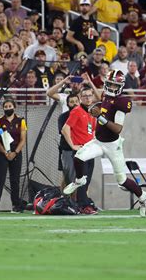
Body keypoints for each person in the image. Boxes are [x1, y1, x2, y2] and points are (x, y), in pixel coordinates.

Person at [63, 70, 146, 216]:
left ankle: (143, 197)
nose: (111, 88)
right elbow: (103, 105)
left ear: (120, 86)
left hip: (113, 145)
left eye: (115, 86)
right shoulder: (106, 96)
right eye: (109, 84)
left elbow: (117, 129)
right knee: (78, 157)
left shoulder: (123, 102)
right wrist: (96, 107)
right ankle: (79, 180)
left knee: (121, 180)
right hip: (98, 141)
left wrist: (100, 117)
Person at [61, 86, 98, 215]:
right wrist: (73, 146)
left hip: (90, 150)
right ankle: (83, 206)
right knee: (81, 179)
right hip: (81, 151)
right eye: (85, 96)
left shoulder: (92, 112)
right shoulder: (76, 111)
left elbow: (92, 131)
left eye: (90, 95)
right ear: (80, 98)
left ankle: (83, 203)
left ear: (93, 97)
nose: (88, 98)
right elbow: (65, 129)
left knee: (86, 180)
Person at [0, 99, 27, 213]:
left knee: (15, 180)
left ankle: (15, 205)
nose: (8, 108)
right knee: (0, 179)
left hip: (16, 152)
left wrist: (15, 152)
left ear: (14, 107)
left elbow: (22, 140)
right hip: (3, 153)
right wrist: (5, 152)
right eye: (5, 106)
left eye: (10, 106)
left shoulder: (21, 121)